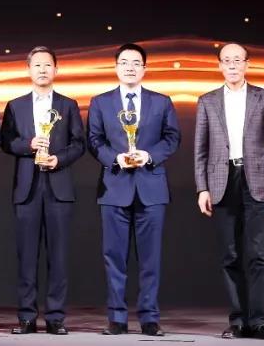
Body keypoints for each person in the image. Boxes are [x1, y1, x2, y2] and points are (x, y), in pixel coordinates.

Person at [86, 43, 180, 337]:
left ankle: (150, 318)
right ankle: (116, 317)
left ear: (144, 68)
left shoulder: (161, 102)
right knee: (114, 257)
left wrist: (149, 156)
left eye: (136, 63)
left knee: (150, 258)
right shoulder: (100, 102)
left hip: (151, 187)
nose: (130, 67)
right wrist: (115, 158)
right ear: (116, 67)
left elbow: (172, 137)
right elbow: (94, 140)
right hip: (114, 186)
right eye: (124, 62)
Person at [194, 43, 264, 341]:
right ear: (219, 65)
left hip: (257, 180)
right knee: (230, 255)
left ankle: (259, 322)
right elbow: (200, 151)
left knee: (259, 255)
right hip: (222, 181)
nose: (232, 65)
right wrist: (202, 188)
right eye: (226, 61)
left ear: (247, 64)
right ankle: (237, 321)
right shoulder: (207, 101)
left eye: (237, 60)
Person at [0, 46, 85, 336]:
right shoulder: (16, 105)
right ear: (28, 70)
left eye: (47, 65)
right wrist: (29, 145)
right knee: (26, 256)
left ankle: (56, 317)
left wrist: (59, 159)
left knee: (58, 257)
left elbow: (79, 144)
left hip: (59, 187)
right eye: (37, 65)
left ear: (56, 70)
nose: (42, 70)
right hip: (27, 188)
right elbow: (6, 142)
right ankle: (26, 317)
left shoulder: (68, 105)